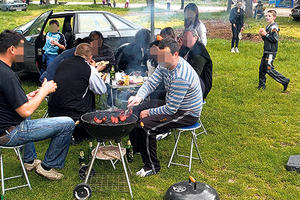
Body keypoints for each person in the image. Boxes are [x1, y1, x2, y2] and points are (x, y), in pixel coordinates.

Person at [0, 30, 75, 180]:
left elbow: (7, 99)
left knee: (26, 107)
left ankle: (29, 160)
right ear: (12, 49)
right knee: (68, 123)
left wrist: (28, 96)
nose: (24, 51)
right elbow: (25, 111)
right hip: (8, 133)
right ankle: (47, 167)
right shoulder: (7, 75)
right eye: (21, 48)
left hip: (4, 124)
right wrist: (44, 91)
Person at [128, 38, 203, 177]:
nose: (161, 59)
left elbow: (171, 110)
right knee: (135, 110)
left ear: (176, 54)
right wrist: (139, 97)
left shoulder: (181, 76)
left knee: (146, 125)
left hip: (186, 112)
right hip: (173, 104)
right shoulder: (164, 64)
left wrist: (149, 112)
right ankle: (137, 148)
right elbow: (151, 83)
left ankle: (152, 166)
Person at [48, 43, 107, 141]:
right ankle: (84, 127)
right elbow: (101, 90)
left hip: (53, 109)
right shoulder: (89, 69)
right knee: (89, 91)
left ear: (75, 53)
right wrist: (95, 70)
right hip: (72, 112)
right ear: (90, 57)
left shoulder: (63, 63)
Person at [257, 10, 290, 91]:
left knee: (269, 69)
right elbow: (267, 40)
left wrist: (266, 34)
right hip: (266, 50)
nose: (267, 17)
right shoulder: (268, 26)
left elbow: (275, 39)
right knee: (262, 69)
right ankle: (261, 86)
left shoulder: (274, 27)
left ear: (274, 17)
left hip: (271, 52)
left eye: (269, 16)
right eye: (266, 16)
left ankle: (285, 81)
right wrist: (262, 35)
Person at [179, 29, 213, 99]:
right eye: (184, 37)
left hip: (200, 86)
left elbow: (194, 76)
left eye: (188, 37)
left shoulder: (199, 54)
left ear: (196, 38)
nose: (186, 39)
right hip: (187, 79)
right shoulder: (186, 47)